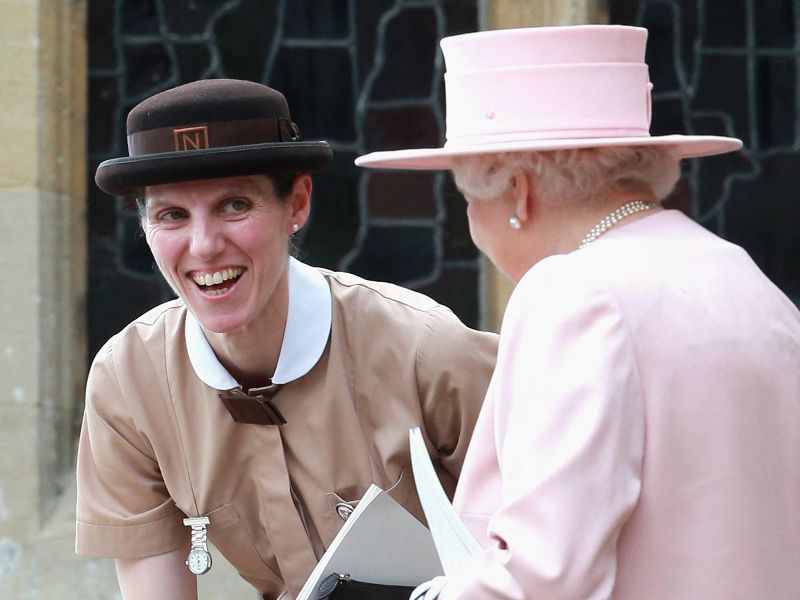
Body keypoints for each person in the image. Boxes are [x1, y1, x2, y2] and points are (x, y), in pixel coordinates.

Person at [356, 25, 800, 599]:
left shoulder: (573, 293)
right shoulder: (740, 274)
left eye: (467, 199)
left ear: (517, 193)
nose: (469, 226)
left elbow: (544, 573)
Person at [75, 78, 498, 600]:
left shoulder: (429, 349)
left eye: (234, 205)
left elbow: (550, 551)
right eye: (172, 216)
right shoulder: (126, 383)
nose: (204, 246)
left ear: (296, 203)